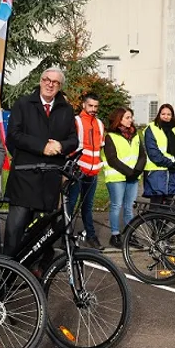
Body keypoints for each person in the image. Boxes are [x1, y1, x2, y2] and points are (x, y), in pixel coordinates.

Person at [3, 67, 79, 257]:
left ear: (59, 86)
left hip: (50, 180)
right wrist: (41, 146)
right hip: (24, 178)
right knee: (15, 230)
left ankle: (38, 273)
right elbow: (13, 136)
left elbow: (74, 140)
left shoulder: (66, 109)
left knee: (42, 233)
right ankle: (7, 273)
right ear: (40, 81)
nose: (49, 84)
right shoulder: (23, 104)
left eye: (54, 82)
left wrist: (61, 146)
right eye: (46, 79)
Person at [102, 107, 145, 247]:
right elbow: (112, 159)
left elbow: (142, 155)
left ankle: (129, 235)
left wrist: (137, 171)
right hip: (117, 177)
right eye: (127, 117)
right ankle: (115, 235)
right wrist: (130, 172)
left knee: (129, 207)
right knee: (116, 206)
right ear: (118, 119)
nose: (130, 120)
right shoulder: (110, 136)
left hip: (133, 176)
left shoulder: (135, 135)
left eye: (131, 117)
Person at [66, 93, 104, 249]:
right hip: (78, 171)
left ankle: (91, 235)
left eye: (96, 106)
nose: (93, 109)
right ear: (84, 105)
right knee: (71, 204)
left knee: (87, 206)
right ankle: (66, 236)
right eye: (90, 106)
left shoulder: (100, 123)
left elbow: (99, 147)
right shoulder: (76, 121)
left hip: (93, 172)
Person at [142, 103, 175, 205]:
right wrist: (169, 163)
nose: (166, 116)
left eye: (169, 114)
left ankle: (163, 221)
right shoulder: (151, 128)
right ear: (159, 114)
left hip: (173, 171)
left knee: (168, 202)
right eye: (163, 114)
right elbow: (153, 151)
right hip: (157, 171)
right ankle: (153, 221)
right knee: (156, 203)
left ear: (172, 116)